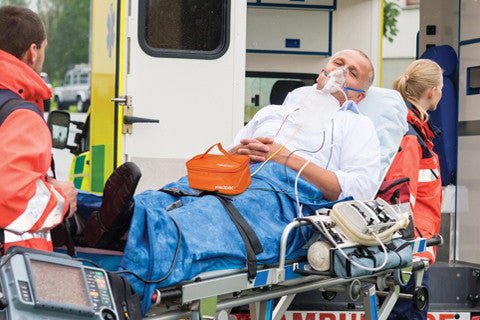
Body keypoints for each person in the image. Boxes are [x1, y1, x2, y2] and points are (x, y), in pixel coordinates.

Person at [0, 5, 77, 253]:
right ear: (33, 52)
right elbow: (10, 201)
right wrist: (61, 199)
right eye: (44, 48)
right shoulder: (20, 116)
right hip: (11, 269)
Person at [385, 59, 443, 320]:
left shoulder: (414, 130)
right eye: (440, 88)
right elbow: (400, 197)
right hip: (409, 250)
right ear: (432, 91)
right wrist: (405, 250)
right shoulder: (410, 135)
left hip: (410, 248)